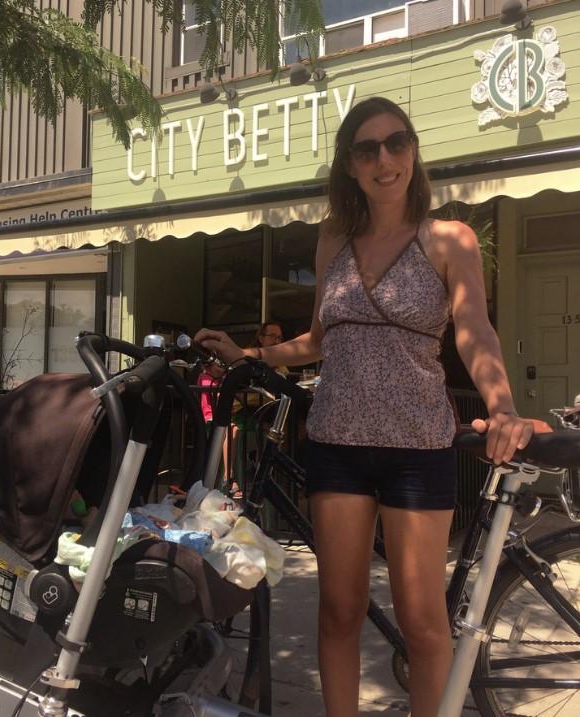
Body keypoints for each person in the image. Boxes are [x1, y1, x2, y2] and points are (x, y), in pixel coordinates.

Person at [195, 96, 533, 717]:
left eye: (397, 142)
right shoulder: (332, 242)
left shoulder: (447, 239)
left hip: (416, 450)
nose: (385, 159)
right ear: (349, 164)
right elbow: (321, 341)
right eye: (367, 148)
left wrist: (502, 406)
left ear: (413, 152)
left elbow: (474, 329)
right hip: (338, 447)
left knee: (424, 622)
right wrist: (252, 353)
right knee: (339, 611)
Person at [196, 361, 241, 498]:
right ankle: (229, 477)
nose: (223, 368)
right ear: (208, 366)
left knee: (234, 429)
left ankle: (228, 474)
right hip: (209, 416)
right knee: (229, 429)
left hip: (223, 417)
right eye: (219, 365)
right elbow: (215, 394)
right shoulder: (204, 377)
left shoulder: (223, 378)